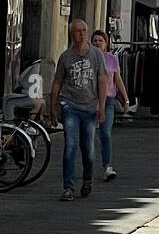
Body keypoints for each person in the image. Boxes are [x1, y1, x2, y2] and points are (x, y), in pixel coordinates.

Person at [51, 20, 108, 202]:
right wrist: (53, 106)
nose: (82, 34)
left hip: (90, 107)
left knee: (88, 149)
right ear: (71, 34)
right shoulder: (66, 57)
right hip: (70, 106)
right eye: (78, 31)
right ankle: (68, 187)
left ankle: (87, 179)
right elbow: (57, 82)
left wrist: (102, 107)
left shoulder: (97, 55)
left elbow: (102, 81)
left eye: (84, 31)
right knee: (71, 145)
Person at [91, 30, 130, 181]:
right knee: (88, 135)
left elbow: (118, 80)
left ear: (106, 43)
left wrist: (125, 99)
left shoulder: (112, 59)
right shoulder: (88, 59)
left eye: (100, 40)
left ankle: (107, 166)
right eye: (94, 40)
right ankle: (89, 165)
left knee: (105, 133)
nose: (97, 43)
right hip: (91, 101)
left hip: (107, 101)